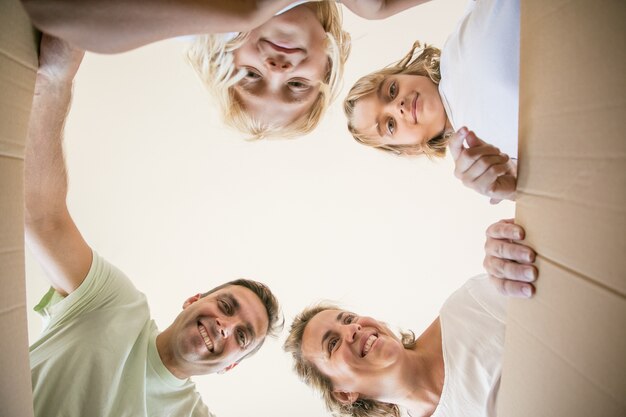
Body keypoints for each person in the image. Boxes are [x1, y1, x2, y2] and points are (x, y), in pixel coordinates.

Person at [25, 35, 283, 417]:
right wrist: (58, 76)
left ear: (231, 366)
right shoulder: (114, 302)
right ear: (193, 301)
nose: (224, 326)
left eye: (241, 336)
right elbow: (42, 215)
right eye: (226, 306)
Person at [283, 219, 538, 417]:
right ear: (344, 393)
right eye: (332, 344)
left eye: (348, 319)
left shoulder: (469, 306)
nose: (353, 329)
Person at [343, 0, 519, 203]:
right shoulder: (483, 161)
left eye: (392, 90)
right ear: (410, 149)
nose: (396, 106)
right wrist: (515, 186)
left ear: (406, 74)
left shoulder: (457, 44)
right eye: (390, 124)